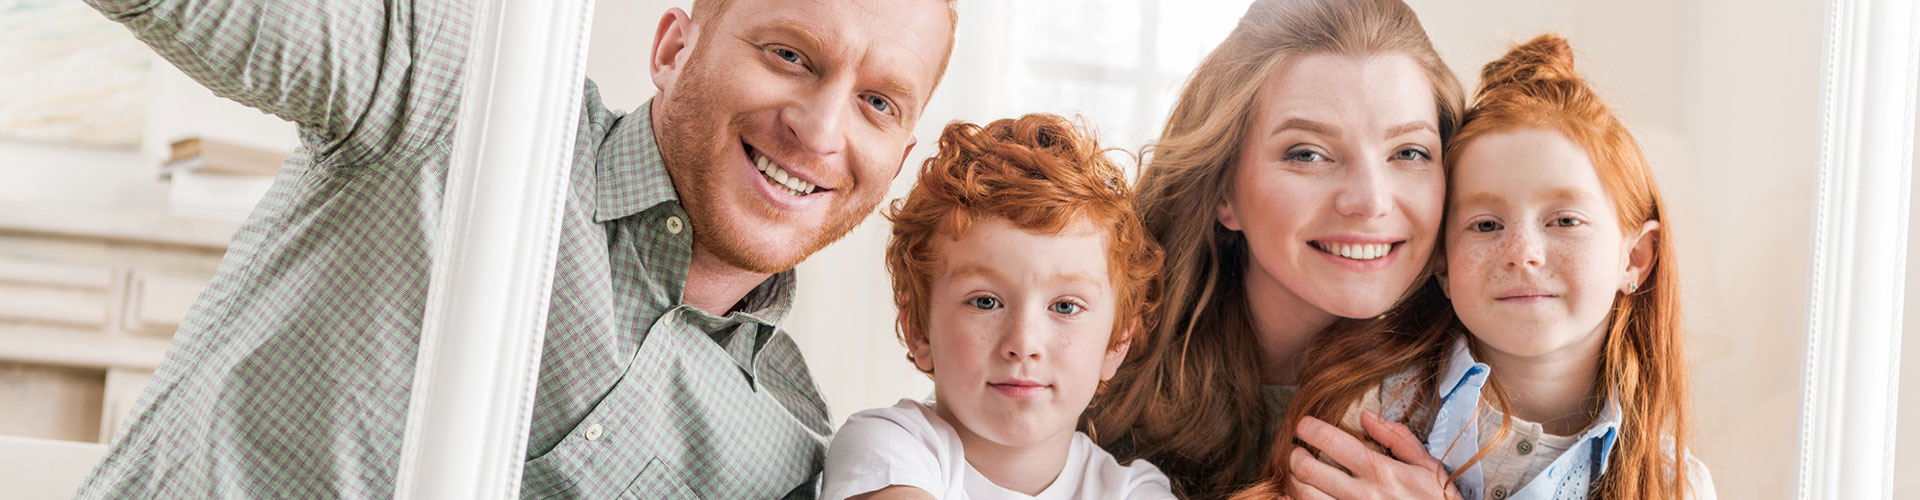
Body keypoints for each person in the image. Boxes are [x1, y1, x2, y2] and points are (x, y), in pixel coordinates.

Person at [73, 0, 956, 497]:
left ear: (899, 158)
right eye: (791, 56)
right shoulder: (461, 93)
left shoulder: (793, 452)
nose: (819, 127)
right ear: (674, 47)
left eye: (879, 102)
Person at [1244, 34, 1717, 500]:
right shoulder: (1372, 408)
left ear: (1635, 258)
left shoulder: (1676, 485)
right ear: (1443, 265)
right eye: (1486, 224)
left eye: (1565, 220)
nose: (1522, 251)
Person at [1081, 0, 1467, 497]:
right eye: (1307, 154)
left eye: (1409, 152)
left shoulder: (1488, 396)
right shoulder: (1092, 362)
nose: (1369, 201)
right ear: (1224, 190)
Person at [820, 114, 1172, 500]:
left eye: (1066, 307)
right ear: (918, 330)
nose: (1023, 343)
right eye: (986, 302)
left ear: (1116, 343)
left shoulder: (1135, 490)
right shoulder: (889, 449)